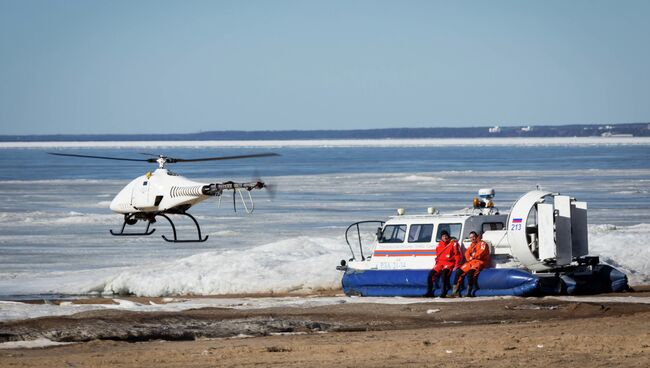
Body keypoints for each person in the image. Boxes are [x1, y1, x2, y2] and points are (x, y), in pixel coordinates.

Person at [452, 231, 490, 297]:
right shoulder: (472, 245)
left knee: (470, 273)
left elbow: (480, 254)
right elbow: (466, 253)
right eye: (471, 237)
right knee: (458, 272)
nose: (472, 239)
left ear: (476, 236)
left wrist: (472, 256)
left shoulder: (482, 244)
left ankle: (469, 292)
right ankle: (455, 292)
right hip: (471, 262)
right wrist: (470, 257)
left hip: (479, 262)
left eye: (473, 237)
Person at [429, 230, 462, 298]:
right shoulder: (439, 245)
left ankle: (443, 292)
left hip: (449, 263)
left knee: (444, 274)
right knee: (430, 274)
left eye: (446, 236)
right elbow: (438, 255)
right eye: (443, 236)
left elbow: (457, 255)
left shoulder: (453, 244)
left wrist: (456, 265)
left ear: (448, 236)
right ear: (441, 237)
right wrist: (436, 264)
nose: (445, 237)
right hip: (440, 264)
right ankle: (429, 292)